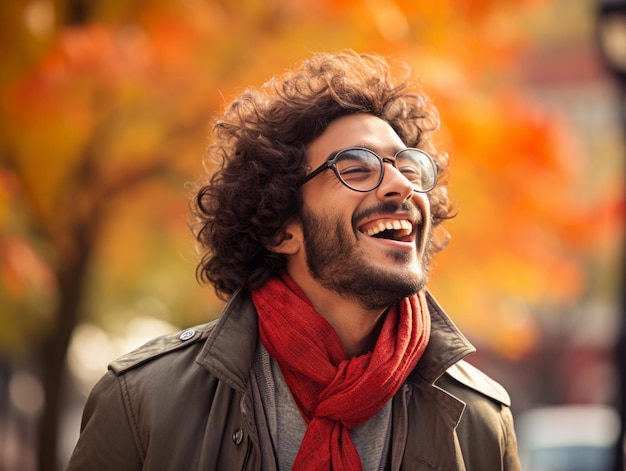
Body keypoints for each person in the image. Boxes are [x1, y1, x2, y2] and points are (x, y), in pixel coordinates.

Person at [66, 50, 521, 470]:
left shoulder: (481, 420)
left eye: (408, 168)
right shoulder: (144, 401)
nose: (402, 186)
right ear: (282, 228)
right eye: (357, 168)